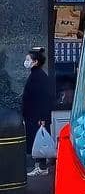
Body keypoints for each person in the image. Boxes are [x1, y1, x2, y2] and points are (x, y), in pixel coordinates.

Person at [21, 47, 53, 175]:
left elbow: (44, 98)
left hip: (37, 117)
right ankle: (40, 166)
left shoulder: (38, 76)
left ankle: (41, 167)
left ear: (35, 62)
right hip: (34, 115)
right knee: (37, 141)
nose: (26, 62)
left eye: (28, 59)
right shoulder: (36, 75)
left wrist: (43, 118)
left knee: (38, 141)